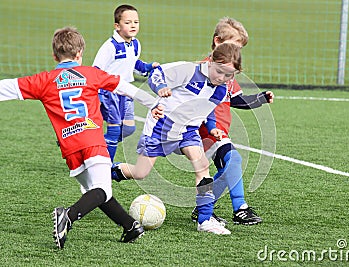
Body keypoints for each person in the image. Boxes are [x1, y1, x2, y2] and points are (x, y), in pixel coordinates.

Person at [0, 26, 163, 249]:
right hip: (93, 141)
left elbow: (6, 87)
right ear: (80, 54)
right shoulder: (90, 74)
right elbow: (123, 86)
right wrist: (153, 102)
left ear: (54, 55)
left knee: (93, 191)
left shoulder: (44, 80)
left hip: (70, 147)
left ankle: (130, 226)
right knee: (102, 190)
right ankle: (68, 215)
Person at [111, 42, 243, 235]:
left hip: (187, 131)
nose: (222, 78)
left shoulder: (221, 89)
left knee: (202, 165)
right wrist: (161, 87)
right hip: (160, 128)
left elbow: (208, 110)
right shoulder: (188, 70)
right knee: (140, 173)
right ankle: (104, 172)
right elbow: (156, 75)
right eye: (220, 72)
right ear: (211, 61)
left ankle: (205, 220)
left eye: (229, 75)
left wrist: (212, 128)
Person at [190, 17, 274, 226]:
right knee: (233, 161)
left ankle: (203, 206)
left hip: (218, 132)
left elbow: (235, 99)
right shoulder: (203, 70)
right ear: (218, 41)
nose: (237, 53)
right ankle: (240, 208)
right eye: (234, 46)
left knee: (228, 167)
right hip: (206, 132)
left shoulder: (227, 71)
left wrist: (260, 99)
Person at [93, 4, 159, 162]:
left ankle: (91, 146)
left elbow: (134, 64)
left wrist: (149, 67)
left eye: (136, 22)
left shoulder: (136, 44)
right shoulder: (110, 47)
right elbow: (96, 70)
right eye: (128, 22)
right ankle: (105, 166)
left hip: (127, 92)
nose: (133, 25)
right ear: (117, 26)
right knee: (114, 131)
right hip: (109, 92)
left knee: (128, 129)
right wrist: (98, 94)